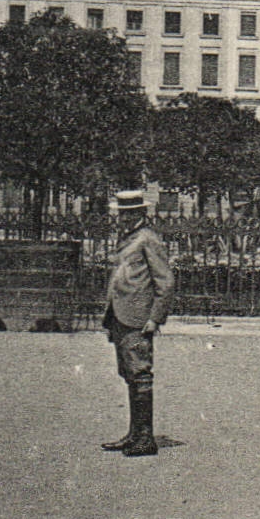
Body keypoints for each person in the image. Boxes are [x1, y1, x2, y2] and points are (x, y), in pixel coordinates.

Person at [100, 190, 174, 457]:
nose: (123, 218)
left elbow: (165, 283)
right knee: (130, 373)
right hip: (121, 314)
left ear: (141, 214)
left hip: (138, 318)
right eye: (121, 213)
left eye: (129, 213)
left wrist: (155, 318)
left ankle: (145, 439)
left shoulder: (148, 239)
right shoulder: (129, 238)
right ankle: (134, 434)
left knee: (141, 374)